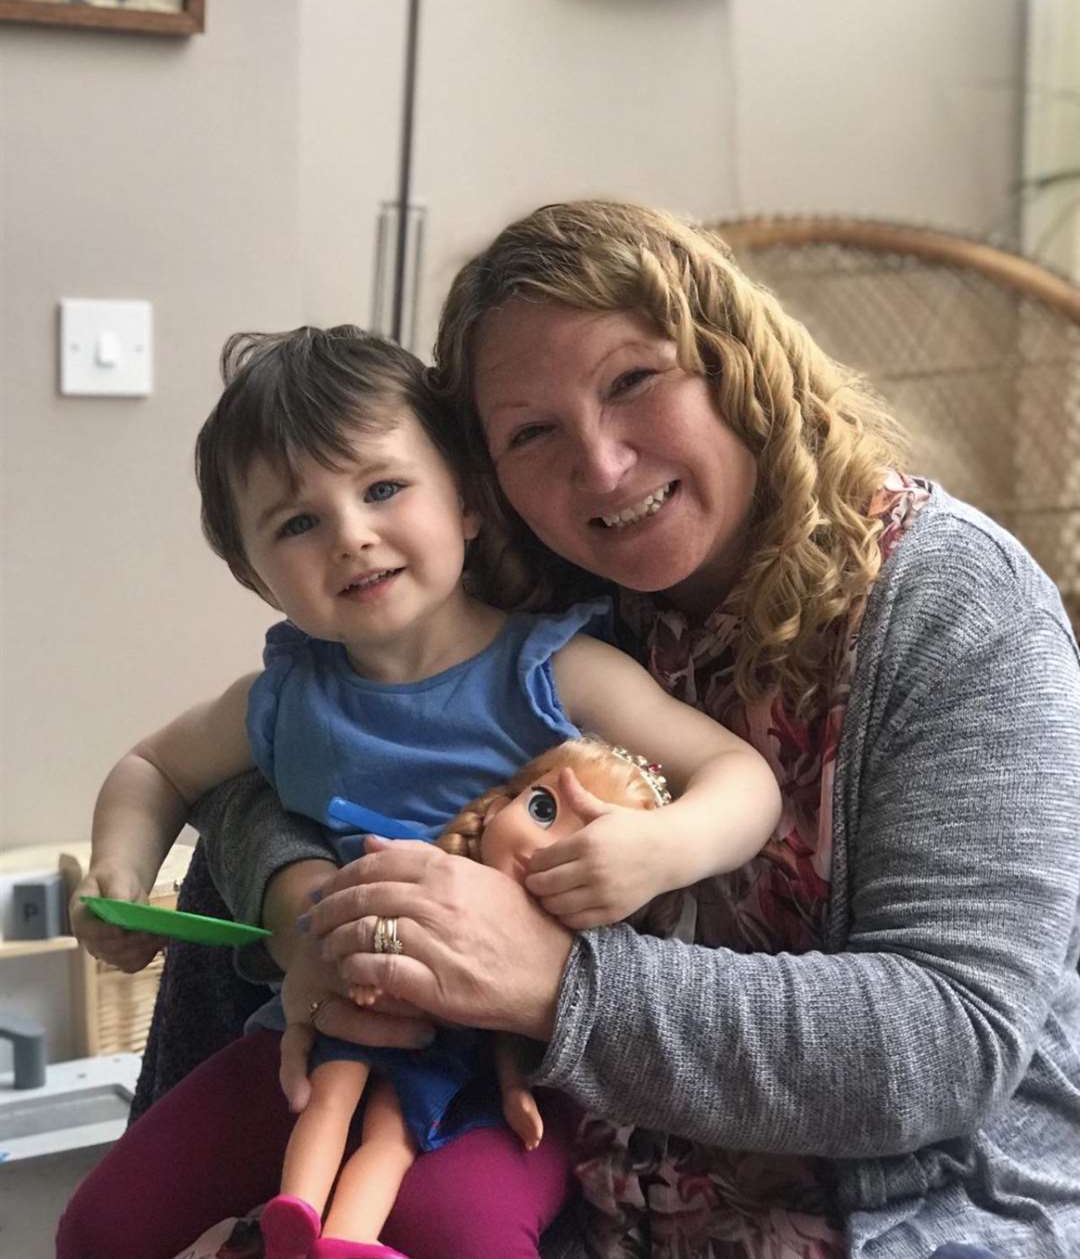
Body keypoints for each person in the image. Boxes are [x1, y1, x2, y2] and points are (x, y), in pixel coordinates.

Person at [66, 196, 1080, 1259]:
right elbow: (267, 761)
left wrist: (555, 981)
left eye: (635, 379)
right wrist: (301, 903)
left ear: (733, 360)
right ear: (483, 479)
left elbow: (952, 1038)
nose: (600, 466)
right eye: (531, 431)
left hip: (896, 1217)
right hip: (561, 1182)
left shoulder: (954, 605)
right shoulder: (543, 582)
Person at [64, 323, 781, 1259]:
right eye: (297, 522)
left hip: (503, 1078)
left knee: (460, 1236)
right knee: (99, 1224)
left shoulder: (554, 674)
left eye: (384, 488)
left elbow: (741, 776)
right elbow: (152, 769)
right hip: (305, 1047)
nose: (352, 535)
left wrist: (659, 847)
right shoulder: (282, 700)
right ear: (253, 572)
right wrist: (119, 875)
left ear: (469, 502)